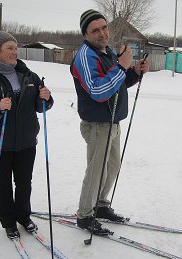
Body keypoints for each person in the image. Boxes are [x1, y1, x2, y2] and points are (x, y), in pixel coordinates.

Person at [0, 31, 54, 239]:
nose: (15, 52)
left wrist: (46, 98)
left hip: (26, 141)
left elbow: (41, 106)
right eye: (10, 48)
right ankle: (8, 222)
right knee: (3, 184)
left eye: (15, 47)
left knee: (24, 182)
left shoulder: (27, 74)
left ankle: (24, 217)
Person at [70, 9, 149, 235]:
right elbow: (98, 90)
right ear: (85, 34)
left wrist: (134, 72)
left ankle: (100, 205)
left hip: (113, 122)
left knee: (112, 166)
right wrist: (123, 65)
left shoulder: (107, 52)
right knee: (97, 171)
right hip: (97, 125)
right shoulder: (85, 57)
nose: (102, 33)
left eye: (104, 27)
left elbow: (117, 84)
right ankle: (85, 215)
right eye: (95, 30)